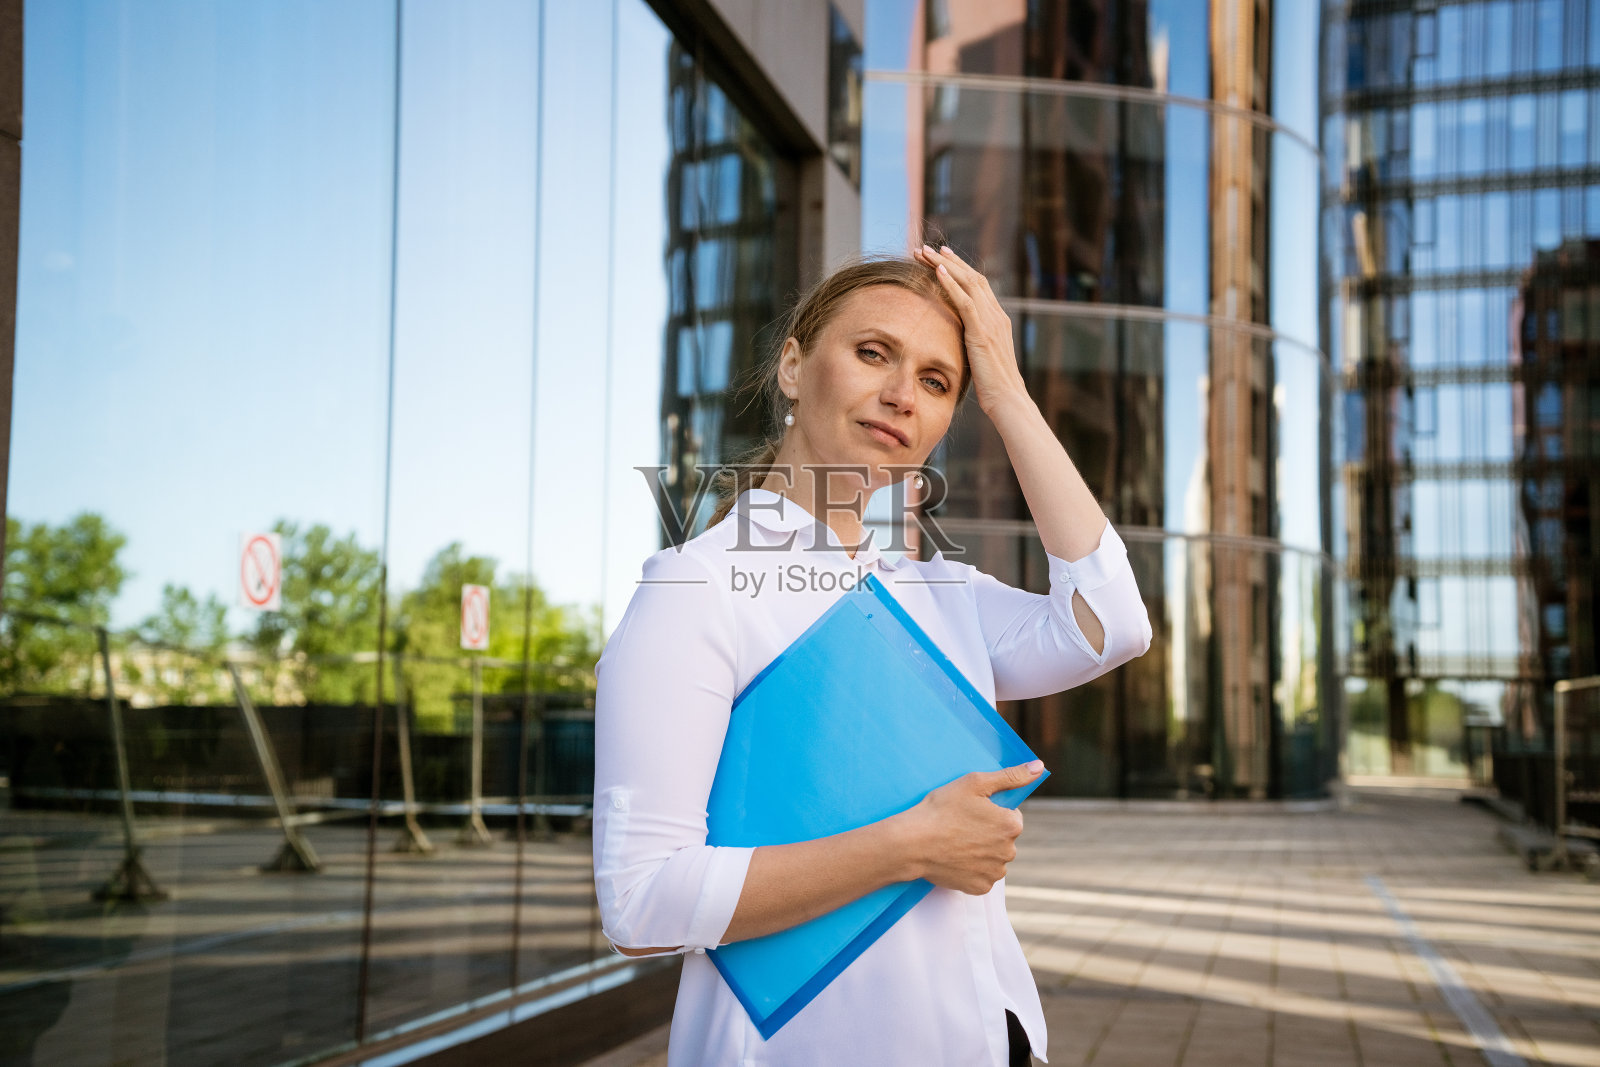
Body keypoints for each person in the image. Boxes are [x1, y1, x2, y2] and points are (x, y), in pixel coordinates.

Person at [592, 244, 1152, 1066]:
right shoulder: (697, 586)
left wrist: (1006, 391)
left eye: (936, 382)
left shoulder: (940, 596)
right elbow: (639, 905)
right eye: (872, 352)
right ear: (792, 365)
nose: (900, 395)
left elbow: (1112, 624)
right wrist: (910, 846)